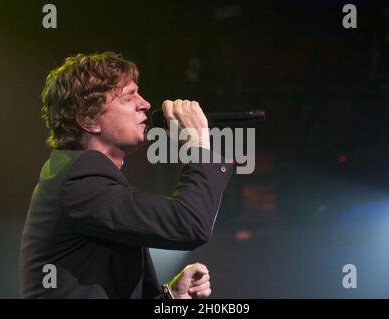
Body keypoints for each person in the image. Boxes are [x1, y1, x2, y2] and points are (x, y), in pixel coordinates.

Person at [20, 52, 233, 299]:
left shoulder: (81, 176)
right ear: (89, 120)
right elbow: (189, 224)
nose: (144, 104)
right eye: (129, 97)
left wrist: (171, 296)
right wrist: (197, 146)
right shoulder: (79, 179)